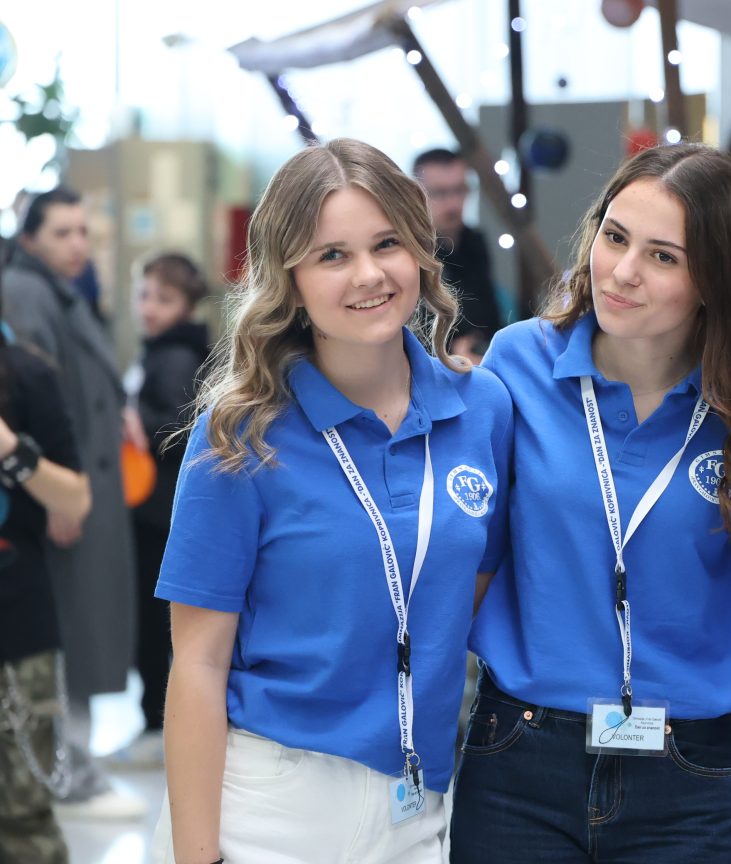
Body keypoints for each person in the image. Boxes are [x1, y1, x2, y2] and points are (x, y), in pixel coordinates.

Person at [151, 138, 512, 864]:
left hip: (416, 806)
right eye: (332, 255)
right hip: (268, 806)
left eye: (387, 244)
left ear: (421, 251)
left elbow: (460, 596)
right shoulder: (239, 434)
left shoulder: (484, 410)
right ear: (290, 280)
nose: (369, 274)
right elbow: (197, 665)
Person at [452, 143, 731, 863]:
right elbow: (479, 540)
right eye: (614, 237)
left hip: (686, 764)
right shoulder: (518, 363)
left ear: (714, 279)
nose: (623, 271)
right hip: (520, 750)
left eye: (663, 256)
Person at [3, 188, 143, 818]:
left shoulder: (60, 291)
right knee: (69, 635)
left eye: (83, 231)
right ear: (29, 237)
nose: (77, 244)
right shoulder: (26, 292)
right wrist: (58, 500)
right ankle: (67, 774)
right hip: (60, 496)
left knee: (81, 633)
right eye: (61, 232)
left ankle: (70, 768)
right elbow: (33, 408)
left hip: (80, 489)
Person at [0, 277, 94, 864]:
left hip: (16, 620)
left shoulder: (27, 373)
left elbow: (76, 500)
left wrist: (12, 450)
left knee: (23, 816)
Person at [109, 253, 212, 770]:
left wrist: (136, 422)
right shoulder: (168, 349)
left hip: (160, 513)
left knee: (156, 624)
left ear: (187, 306)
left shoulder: (173, 355)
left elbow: (176, 428)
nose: (149, 307)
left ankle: (156, 724)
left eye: (164, 299)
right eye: (144, 295)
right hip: (162, 509)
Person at [413, 148, 502, 361]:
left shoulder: (475, 241)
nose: (453, 204)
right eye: (440, 193)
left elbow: (490, 316)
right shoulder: (411, 251)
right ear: (416, 195)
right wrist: (453, 352)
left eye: (460, 190)